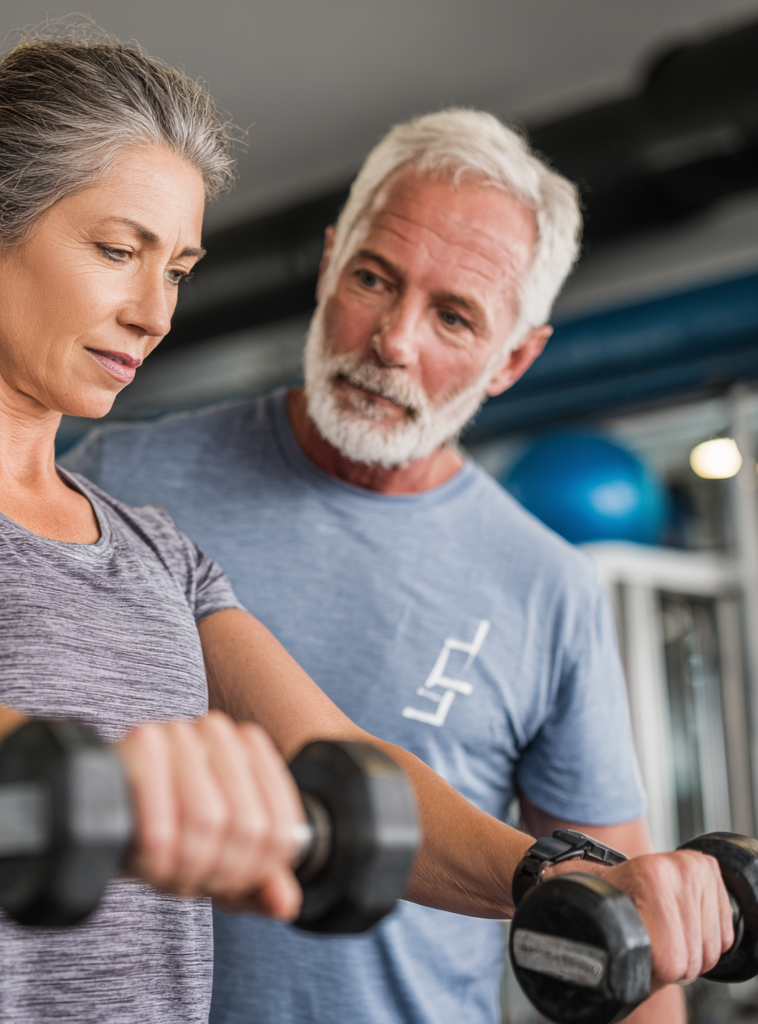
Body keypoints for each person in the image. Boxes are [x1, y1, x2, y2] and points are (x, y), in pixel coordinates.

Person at [0, 38, 730, 1024]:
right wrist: (112, 780)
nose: (152, 311)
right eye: (119, 251)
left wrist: (574, 873)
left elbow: (345, 762)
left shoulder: (155, 546)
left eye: (178, 268)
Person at [62, 109, 687, 1023]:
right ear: (327, 264)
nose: (394, 340)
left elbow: (619, 932)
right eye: (372, 278)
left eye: (454, 316)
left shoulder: (548, 586)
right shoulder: (119, 481)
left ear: (513, 359)